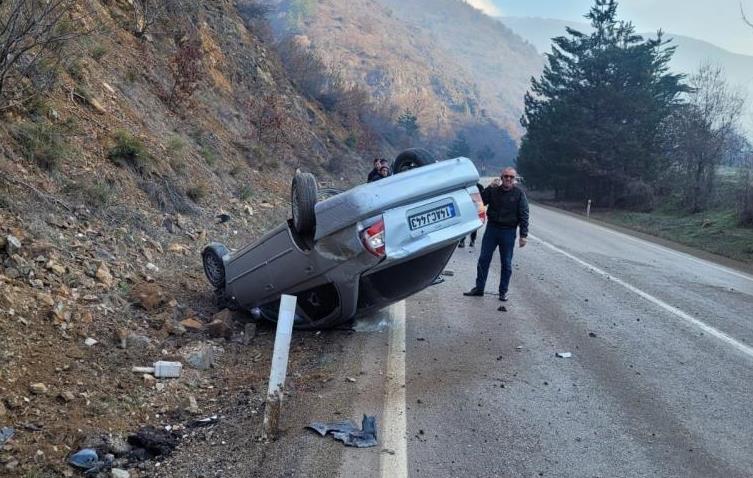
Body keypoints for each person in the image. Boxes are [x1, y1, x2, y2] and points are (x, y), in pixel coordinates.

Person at [463, 167, 529, 301]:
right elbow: (479, 203)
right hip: (492, 230)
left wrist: (523, 235)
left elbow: (524, 215)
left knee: (506, 263)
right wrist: (488, 187)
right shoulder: (493, 191)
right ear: (501, 177)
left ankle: (503, 292)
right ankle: (479, 288)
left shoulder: (519, 194)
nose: (508, 179)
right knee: (483, 260)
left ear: (514, 179)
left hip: (508, 232)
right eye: (506, 176)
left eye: (511, 177)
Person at [458, 183, 485, 248]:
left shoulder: (479, 186)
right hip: (465, 207)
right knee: (465, 225)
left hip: (475, 208)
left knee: (473, 225)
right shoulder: (463, 186)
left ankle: (471, 241)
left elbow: (482, 198)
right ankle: (463, 241)